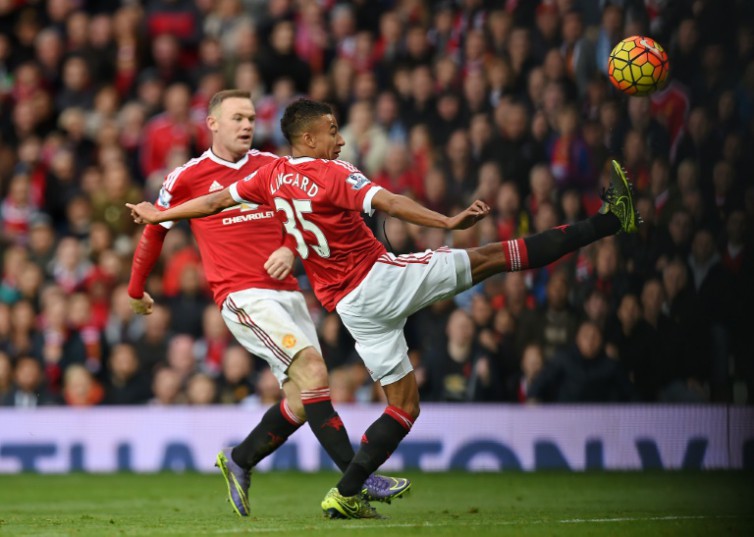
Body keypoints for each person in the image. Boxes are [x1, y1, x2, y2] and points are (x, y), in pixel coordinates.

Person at [127, 98, 641, 519]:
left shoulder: (271, 176)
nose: (341, 139)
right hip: (379, 281)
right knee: (490, 258)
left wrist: (161, 213)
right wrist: (446, 220)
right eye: (332, 131)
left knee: (403, 404)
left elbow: (215, 202)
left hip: (352, 309)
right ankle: (609, 222)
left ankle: (345, 491)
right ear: (309, 139)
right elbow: (390, 201)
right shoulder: (333, 175)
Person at [126, 91, 409, 518]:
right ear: (212, 124)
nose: (246, 125)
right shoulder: (185, 177)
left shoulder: (274, 169)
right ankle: (357, 477)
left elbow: (304, 217)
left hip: (288, 294)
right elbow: (155, 231)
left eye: (251, 118)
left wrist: (288, 248)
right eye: (236, 117)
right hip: (242, 295)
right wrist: (135, 290)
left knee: (302, 398)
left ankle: (239, 459)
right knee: (313, 370)